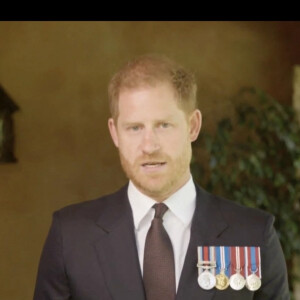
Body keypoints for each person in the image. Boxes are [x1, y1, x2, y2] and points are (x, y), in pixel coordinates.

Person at [33, 54, 289, 300]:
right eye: (134, 128)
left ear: (193, 126)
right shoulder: (71, 236)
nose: (149, 146)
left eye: (163, 125)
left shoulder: (253, 234)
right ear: (115, 133)